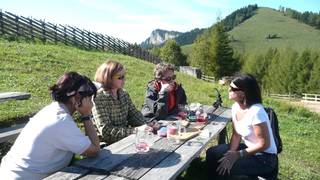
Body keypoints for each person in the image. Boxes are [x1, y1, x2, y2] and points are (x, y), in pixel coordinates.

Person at [0, 72, 100, 179]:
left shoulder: (54, 110)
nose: (91, 102)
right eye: (89, 97)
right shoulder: (61, 121)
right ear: (76, 98)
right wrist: (86, 115)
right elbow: (94, 150)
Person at [206, 74, 278, 179]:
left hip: (265, 158)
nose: (228, 90)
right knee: (212, 153)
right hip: (249, 149)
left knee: (225, 167)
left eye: (232, 88)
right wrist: (230, 153)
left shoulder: (256, 112)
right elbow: (236, 135)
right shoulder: (235, 107)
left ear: (244, 93)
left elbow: (264, 144)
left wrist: (237, 155)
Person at [92, 60, 158, 145]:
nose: (124, 79)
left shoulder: (124, 94)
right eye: (120, 77)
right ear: (108, 78)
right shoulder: (98, 98)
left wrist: (147, 124)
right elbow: (106, 131)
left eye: (124, 76)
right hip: (105, 146)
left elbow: (133, 115)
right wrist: (136, 130)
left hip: (124, 139)